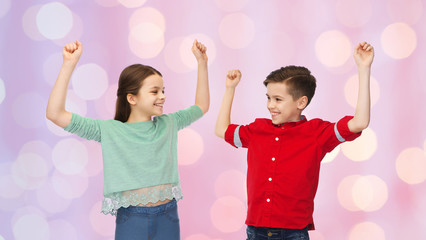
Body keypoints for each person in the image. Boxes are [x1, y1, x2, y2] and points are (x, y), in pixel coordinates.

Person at [46, 39, 209, 240]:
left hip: (168, 215)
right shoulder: (109, 130)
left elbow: (202, 105)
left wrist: (202, 63)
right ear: (132, 98)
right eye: (154, 91)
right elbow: (55, 113)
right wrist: (68, 64)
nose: (162, 96)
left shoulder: (169, 123)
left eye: (163, 90)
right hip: (131, 219)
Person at [215, 42, 374, 240]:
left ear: (301, 102)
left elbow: (359, 123)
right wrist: (230, 89)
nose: (270, 105)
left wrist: (364, 68)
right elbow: (221, 130)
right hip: (255, 230)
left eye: (278, 99)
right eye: (268, 98)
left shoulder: (317, 133)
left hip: (293, 233)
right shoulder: (257, 130)